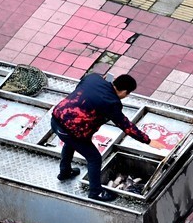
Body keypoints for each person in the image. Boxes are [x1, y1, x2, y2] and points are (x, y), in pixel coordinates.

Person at [51, 72, 150, 202]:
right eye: (127, 94)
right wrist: (148, 140)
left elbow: (87, 87)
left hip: (56, 119)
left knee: (70, 144)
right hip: (70, 131)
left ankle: (65, 173)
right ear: (125, 92)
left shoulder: (93, 77)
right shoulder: (112, 103)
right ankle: (95, 193)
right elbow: (126, 126)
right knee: (94, 158)